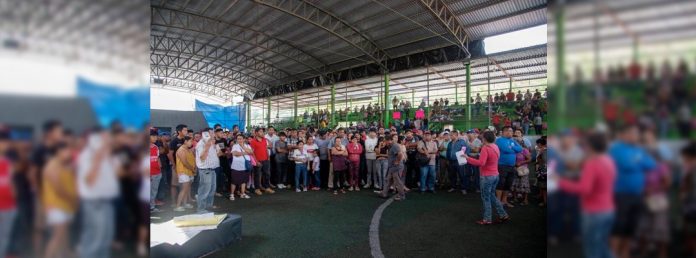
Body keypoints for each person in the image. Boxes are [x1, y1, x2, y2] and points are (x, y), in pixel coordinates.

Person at [557, 132, 616, 258]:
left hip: (594, 212)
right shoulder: (608, 160)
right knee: (603, 246)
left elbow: (584, 189)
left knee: (592, 249)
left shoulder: (592, 164)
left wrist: (560, 182)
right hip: (608, 209)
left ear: (589, 146)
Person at [609, 125, 656, 258]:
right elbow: (627, 165)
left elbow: (652, 165)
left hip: (638, 194)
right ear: (624, 135)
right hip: (621, 194)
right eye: (632, 133)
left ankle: (625, 253)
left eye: (637, 133)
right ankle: (613, 254)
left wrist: (637, 161)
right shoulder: (617, 149)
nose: (636, 136)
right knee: (619, 226)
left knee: (631, 226)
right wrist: (640, 161)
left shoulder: (639, 149)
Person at [464, 131, 509, 225]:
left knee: (486, 198)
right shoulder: (495, 146)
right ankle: (503, 214)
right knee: (492, 196)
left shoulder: (486, 148)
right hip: (495, 174)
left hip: (487, 176)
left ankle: (487, 219)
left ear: (484, 138)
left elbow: (481, 163)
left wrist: (467, 158)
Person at [43, 141, 77, 258]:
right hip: (57, 205)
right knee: (57, 236)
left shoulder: (65, 165)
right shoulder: (52, 166)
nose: (70, 153)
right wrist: (71, 198)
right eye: (67, 151)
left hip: (66, 205)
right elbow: (58, 188)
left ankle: (65, 255)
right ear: (59, 151)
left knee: (64, 235)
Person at [495, 126, 522, 208]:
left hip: (512, 166)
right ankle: (498, 202)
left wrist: (512, 147)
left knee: (508, 184)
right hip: (502, 165)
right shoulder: (499, 140)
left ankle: (504, 201)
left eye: (511, 131)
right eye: (508, 131)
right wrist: (514, 148)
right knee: (500, 184)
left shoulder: (512, 140)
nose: (510, 132)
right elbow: (506, 149)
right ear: (503, 132)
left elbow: (520, 149)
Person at [195, 129, 221, 213]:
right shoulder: (201, 144)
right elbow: (202, 158)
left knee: (212, 189)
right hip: (205, 170)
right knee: (204, 190)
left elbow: (216, 155)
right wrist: (207, 147)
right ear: (205, 134)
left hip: (212, 169)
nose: (213, 134)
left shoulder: (211, 142)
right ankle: (201, 209)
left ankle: (208, 206)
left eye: (213, 132)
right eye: (211, 133)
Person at [0, 127, 16, 258]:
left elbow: (11, 184)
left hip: (9, 206)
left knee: (4, 237)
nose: (6, 145)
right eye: (4, 142)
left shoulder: (7, 162)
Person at [378, 136, 406, 201]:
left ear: (389, 140)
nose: (385, 142)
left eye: (385, 141)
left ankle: (402, 196)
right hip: (392, 167)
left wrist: (398, 161)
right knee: (388, 180)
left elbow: (400, 154)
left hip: (397, 167)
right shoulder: (391, 146)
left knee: (398, 182)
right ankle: (384, 194)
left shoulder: (395, 146)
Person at [249, 128, 274, 195]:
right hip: (258, 161)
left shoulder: (264, 140)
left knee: (267, 174)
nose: (262, 133)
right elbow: (252, 153)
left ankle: (267, 188)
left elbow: (266, 149)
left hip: (266, 160)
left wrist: (268, 156)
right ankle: (257, 189)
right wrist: (256, 161)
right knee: (257, 175)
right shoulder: (253, 141)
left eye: (263, 131)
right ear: (256, 133)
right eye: (260, 131)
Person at [167, 124, 188, 207]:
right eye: (184, 130)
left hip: (185, 166)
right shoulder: (174, 141)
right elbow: (169, 154)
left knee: (185, 184)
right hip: (176, 166)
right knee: (174, 185)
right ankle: (173, 203)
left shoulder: (186, 140)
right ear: (179, 131)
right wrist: (174, 165)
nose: (186, 131)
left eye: (186, 130)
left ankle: (183, 202)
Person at [174, 136, 195, 211]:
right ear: (185, 141)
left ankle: (185, 204)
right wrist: (192, 168)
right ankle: (177, 206)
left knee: (186, 189)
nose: (191, 143)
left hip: (188, 172)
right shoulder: (181, 150)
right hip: (183, 172)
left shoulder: (187, 149)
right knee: (184, 189)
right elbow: (185, 162)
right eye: (190, 141)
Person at [229, 134, 252, 200]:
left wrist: (243, 147)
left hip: (245, 166)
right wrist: (246, 153)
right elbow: (235, 154)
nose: (239, 140)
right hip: (236, 167)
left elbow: (251, 152)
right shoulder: (235, 146)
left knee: (244, 181)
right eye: (238, 139)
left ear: (244, 139)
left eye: (241, 138)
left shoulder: (247, 145)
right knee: (234, 181)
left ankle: (242, 193)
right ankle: (232, 194)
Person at [510, 138, 531, 206]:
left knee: (524, 184)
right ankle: (515, 198)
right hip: (515, 169)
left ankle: (525, 200)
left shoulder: (524, 150)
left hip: (523, 170)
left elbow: (529, 159)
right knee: (514, 184)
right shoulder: (512, 150)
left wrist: (521, 162)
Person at [149, 129, 162, 212]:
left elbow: (157, 158)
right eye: (153, 136)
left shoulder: (155, 147)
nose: (155, 138)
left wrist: (160, 169)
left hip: (157, 173)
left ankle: (152, 207)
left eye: (156, 136)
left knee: (154, 191)